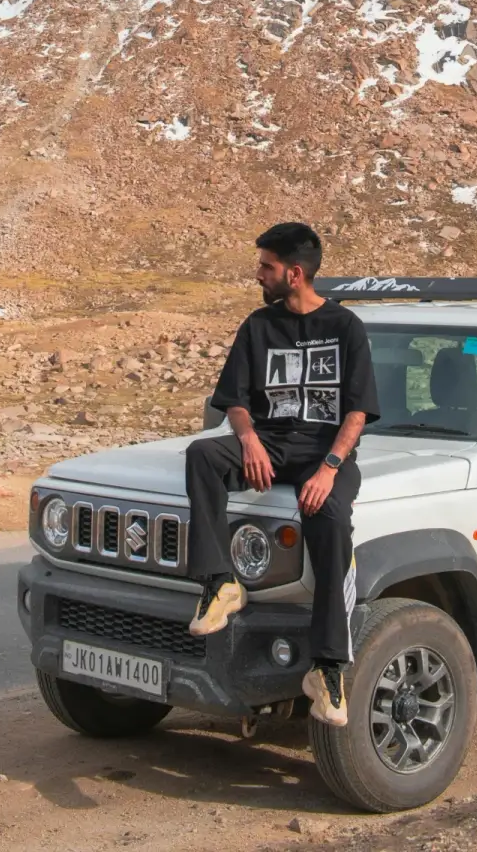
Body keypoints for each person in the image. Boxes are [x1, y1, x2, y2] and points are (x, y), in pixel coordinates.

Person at [185, 222, 380, 728]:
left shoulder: (346, 327)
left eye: (266, 267)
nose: (258, 275)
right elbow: (234, 400)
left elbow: (357, 412)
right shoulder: (258, 326)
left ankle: (328, 667)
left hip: (324, 451)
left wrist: (329, 470)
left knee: (331, 519)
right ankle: (220, 583)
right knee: (203, 456)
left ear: (294, 274)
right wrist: (248, 439)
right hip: (270, 444)